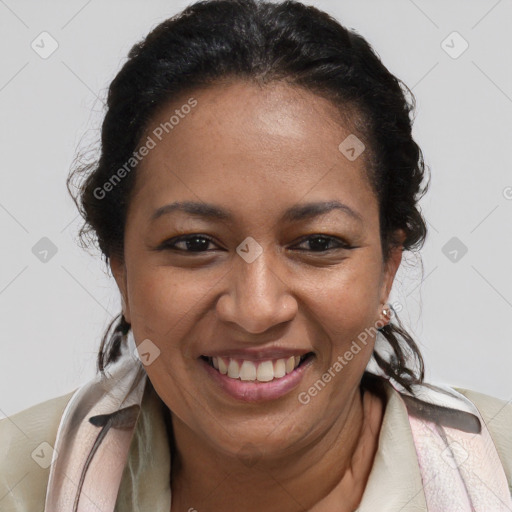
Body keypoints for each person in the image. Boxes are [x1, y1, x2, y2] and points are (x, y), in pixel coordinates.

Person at [1, 0, 511, 510]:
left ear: (387, 269)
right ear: (121, 269)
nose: (256, 310)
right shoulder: (18, 482)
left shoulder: (499, 476)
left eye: (317, 243)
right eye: (195, 244)